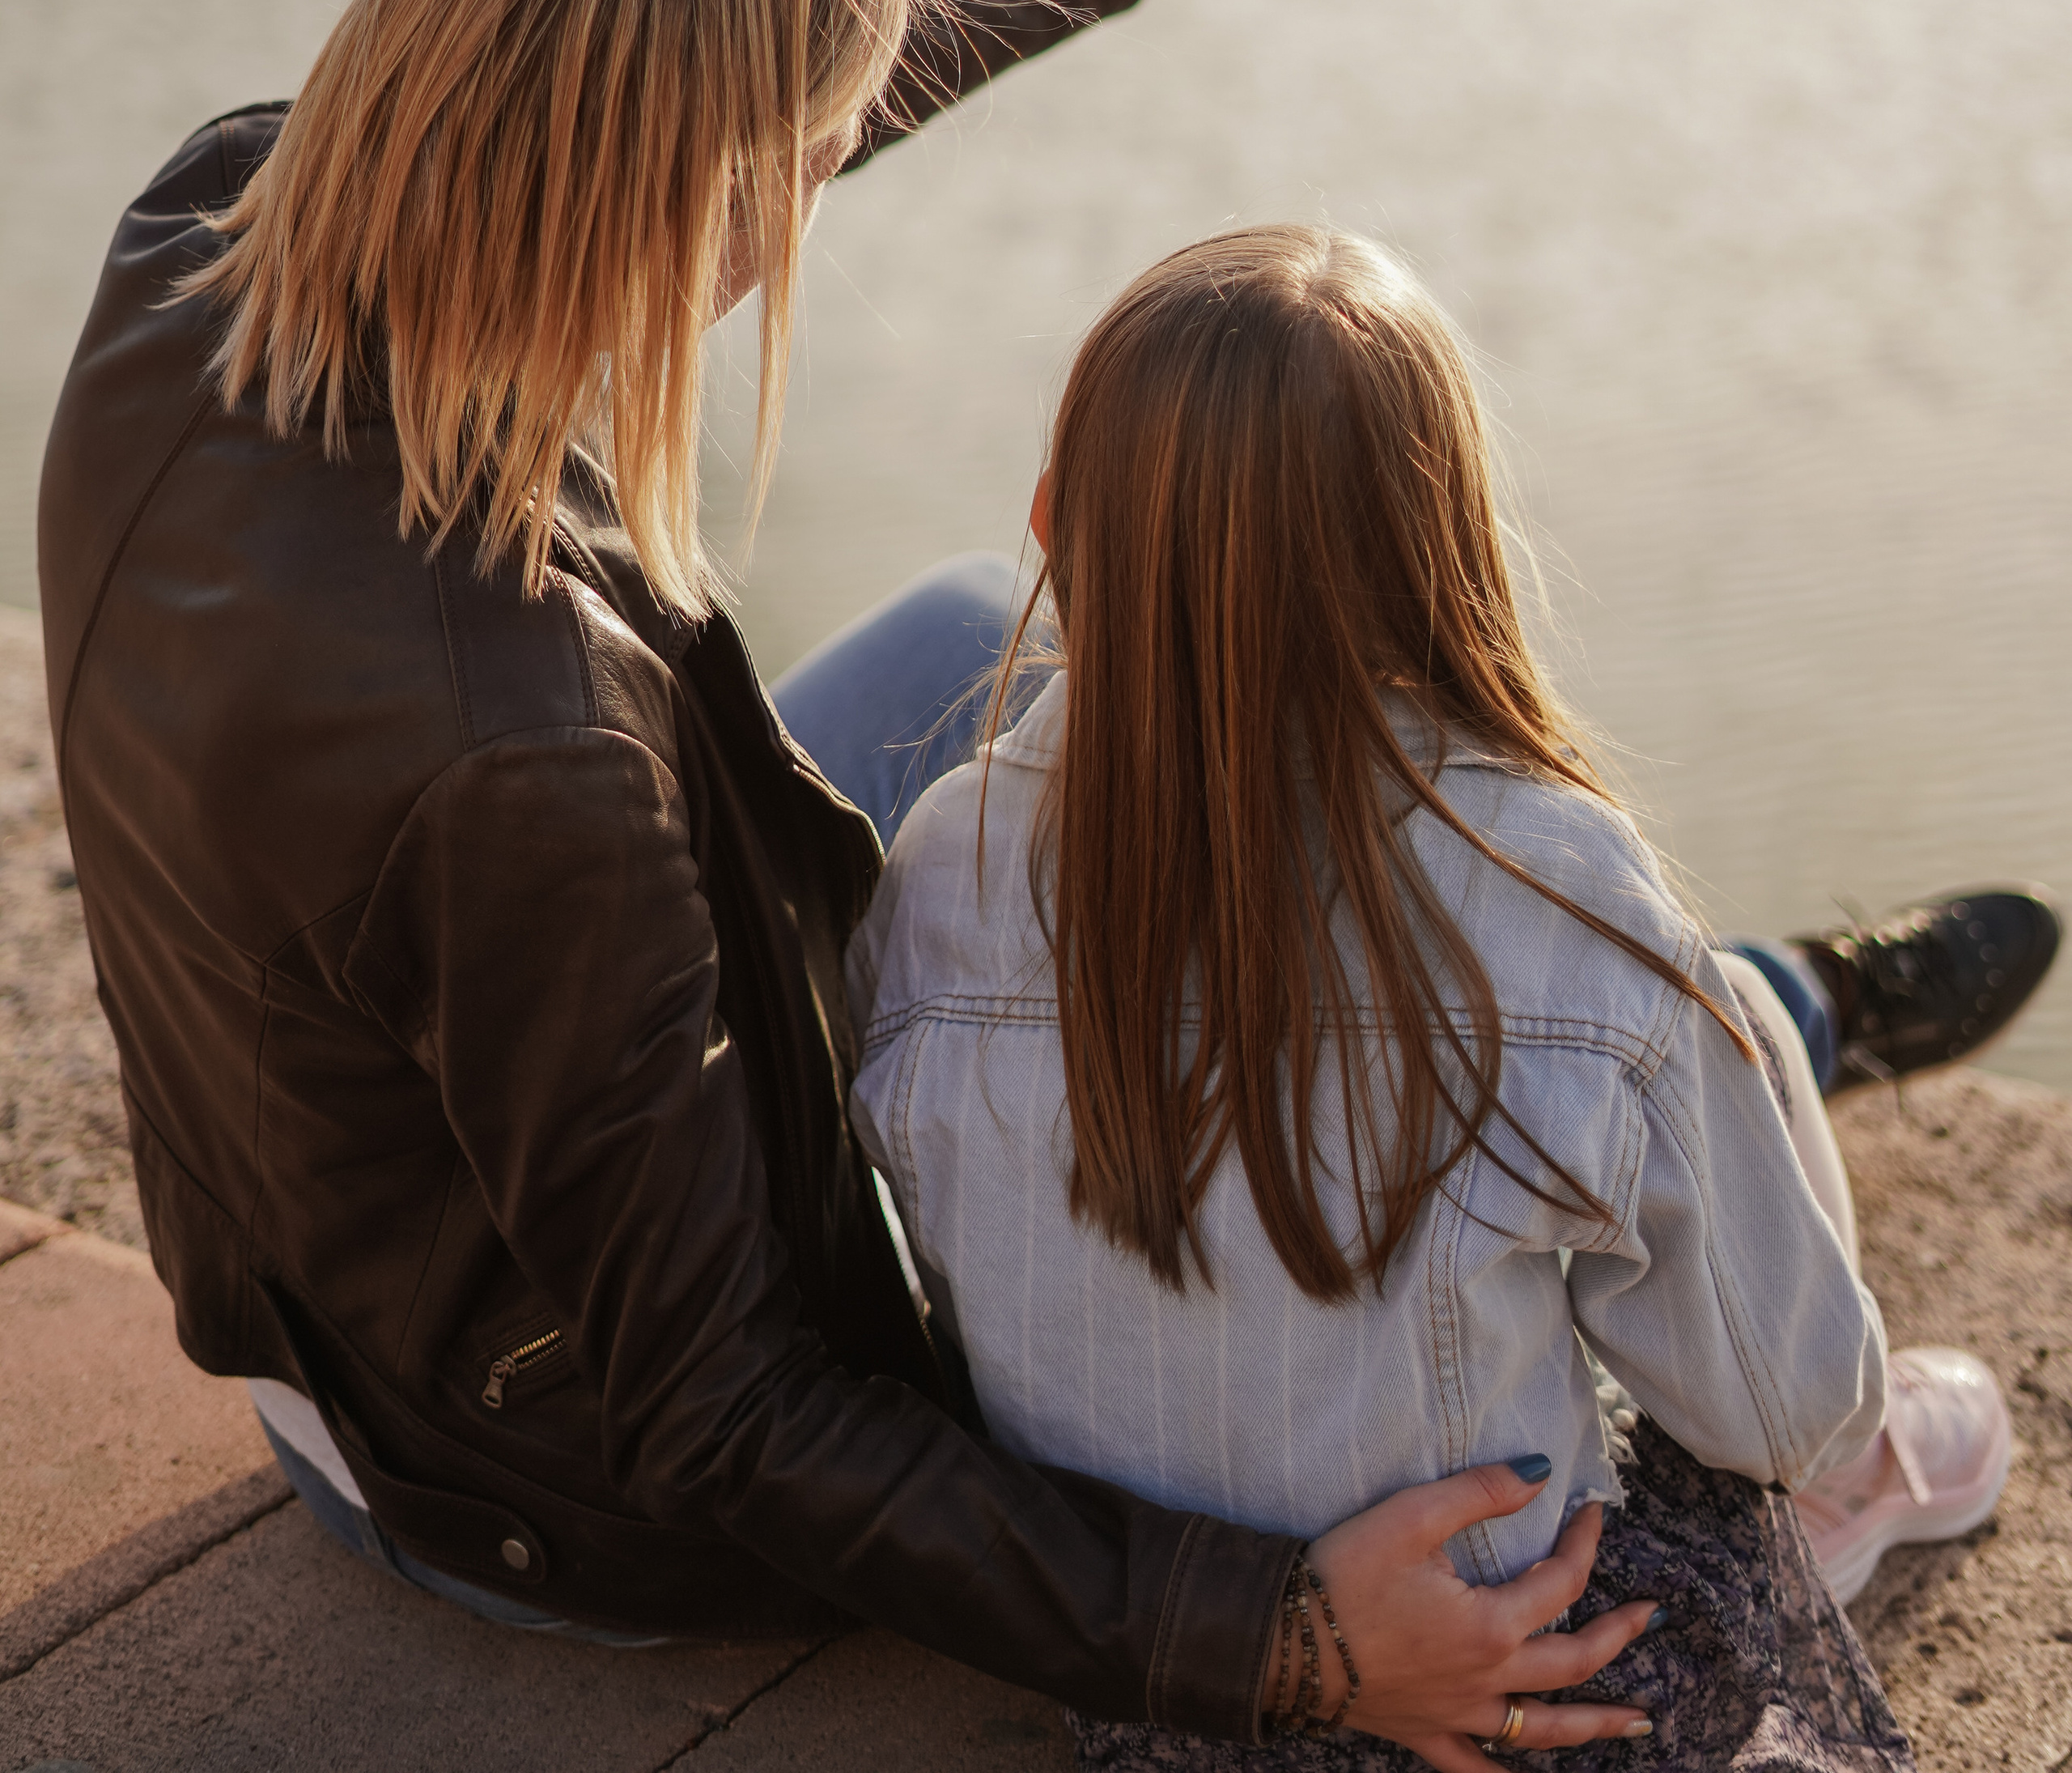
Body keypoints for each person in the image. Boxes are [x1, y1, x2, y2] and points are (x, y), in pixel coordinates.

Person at [38, 0, 1671, 1759]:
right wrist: (1276, 1647)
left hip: (337, 1293)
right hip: (522, 1488)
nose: (814, 200)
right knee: (1343, 997)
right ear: (674, 192)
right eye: (796, 170)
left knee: (993, 618)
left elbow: (707, 85)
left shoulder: (216, 223)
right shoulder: (517, 758)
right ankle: (1747, 1018)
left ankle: (1685, 1022)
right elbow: (723, 1417)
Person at [847, 227, 2050, 1773]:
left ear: (1046, 530)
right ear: (1445, 550)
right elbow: (1774, 1409)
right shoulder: (1556, 894)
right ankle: (1883, 1471)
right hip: (1495, 1697)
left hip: (1141, 1667)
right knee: (1726, 1137)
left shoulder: (935, 865)